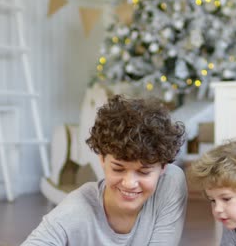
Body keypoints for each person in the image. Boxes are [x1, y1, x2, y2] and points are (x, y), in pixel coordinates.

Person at [22, 95, 187, 245]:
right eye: (118, 168)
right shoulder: (77, 209)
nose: (129, 183)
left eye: (144, 172)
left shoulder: (170, 182)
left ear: (163, 166)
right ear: (102, 158)